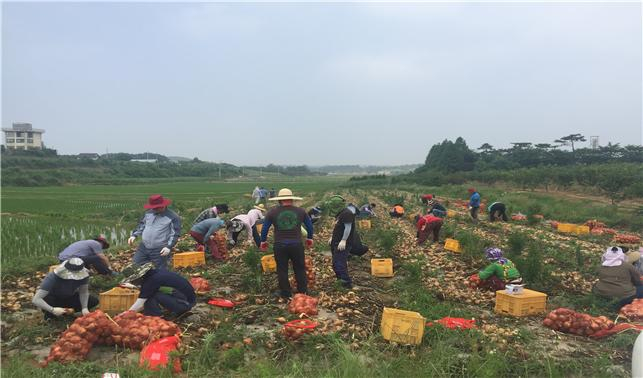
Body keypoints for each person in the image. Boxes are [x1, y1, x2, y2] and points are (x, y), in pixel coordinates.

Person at [260, 188, 314, 298]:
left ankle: (286, 293)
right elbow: (309, 226)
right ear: (291, 199)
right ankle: (303, 291)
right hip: (296, 244)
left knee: (282, 269)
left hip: (280, 245)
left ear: (280, 200)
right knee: (299, 268)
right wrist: (309, 238)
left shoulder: (272, 212)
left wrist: (263, 241)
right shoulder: (300, 211)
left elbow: (264, 228)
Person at [121, 262, 196, 318]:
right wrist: (133, 287)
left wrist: (126, 314)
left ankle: (154, 318)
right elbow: (153, 288)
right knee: (151, 294)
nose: (132, 282)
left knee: (150, 297)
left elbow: (140, 303)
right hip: (188, 300)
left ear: (138, 277)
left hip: (185, 305)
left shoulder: (151, 281)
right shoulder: (155, 273)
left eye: (133, 281)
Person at [32, 258, 99, 320]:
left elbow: (83, 292)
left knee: (93, 301)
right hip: (54, 299)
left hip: (69, 297)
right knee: (48, 301)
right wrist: (52, 309)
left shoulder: (84, 276)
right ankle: (51, 315)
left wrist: (84, 308)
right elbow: (36, 299)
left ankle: (69, 311)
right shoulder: (53, 277)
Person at [128, 194, 181, 270]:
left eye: (157, 208)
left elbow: (175, 234)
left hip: (160, 249)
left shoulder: (173, 217)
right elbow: (142, 225)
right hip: (144, 246)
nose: (155, 209)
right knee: (136, 265)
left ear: (163, 205)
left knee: (161, 270)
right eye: (153, 208)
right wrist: (134, 235)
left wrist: (168, 247)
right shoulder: (148, 213)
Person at [330, 203, 369, 289]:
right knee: (336, 263)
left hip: (343, 244)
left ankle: (346, 283)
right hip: (338, 242)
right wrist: (332, 237)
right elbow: (339, 228)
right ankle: (340, 280)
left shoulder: (347, 214)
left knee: (340, 263)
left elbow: (347, 228)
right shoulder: (343, 213)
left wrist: (343, 240)